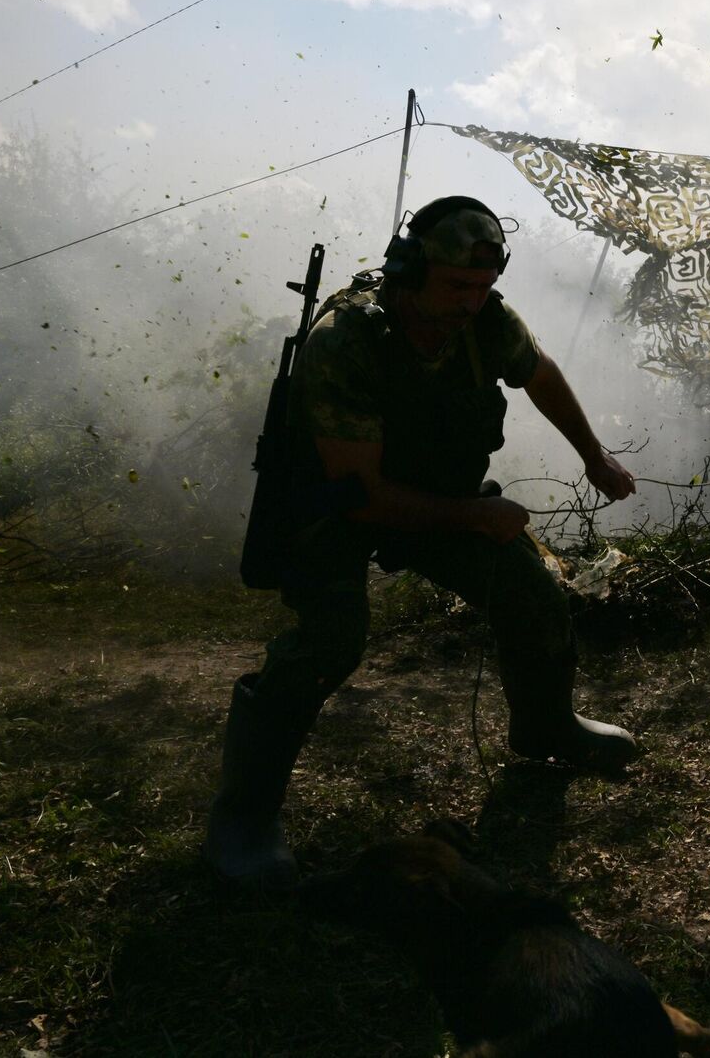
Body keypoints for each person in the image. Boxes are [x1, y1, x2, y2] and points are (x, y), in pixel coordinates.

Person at [205, 196, 637, 890]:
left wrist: (593, 453)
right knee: (329, 642)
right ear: (410, 270)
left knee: (529, 589)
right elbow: (365, 495)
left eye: (482, 288)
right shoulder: (346, 341)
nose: (471, 303)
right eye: (456, 287)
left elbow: (539, 371)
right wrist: (472, 516)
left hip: (435, 496)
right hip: (335, 508)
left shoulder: (483, 320)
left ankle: (545, 726)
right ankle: (244, 817)